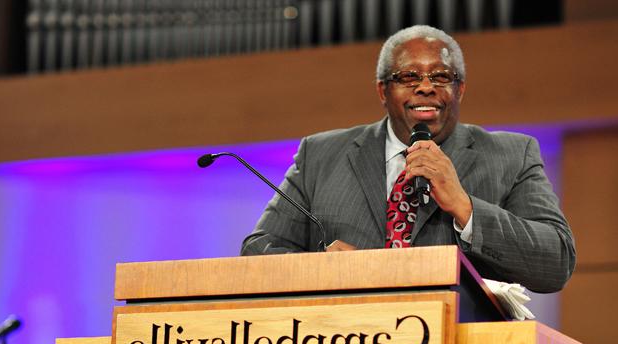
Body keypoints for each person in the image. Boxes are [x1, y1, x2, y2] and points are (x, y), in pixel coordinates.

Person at [241, 25, 575, 301]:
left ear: (461, 90)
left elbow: (556, 262)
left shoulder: (512, 155)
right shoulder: (320, 154)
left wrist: (464, 206)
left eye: (442, 76)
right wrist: (321, 268)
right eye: (408, 76)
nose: (426, 87)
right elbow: (257, 253)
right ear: (382, 91)